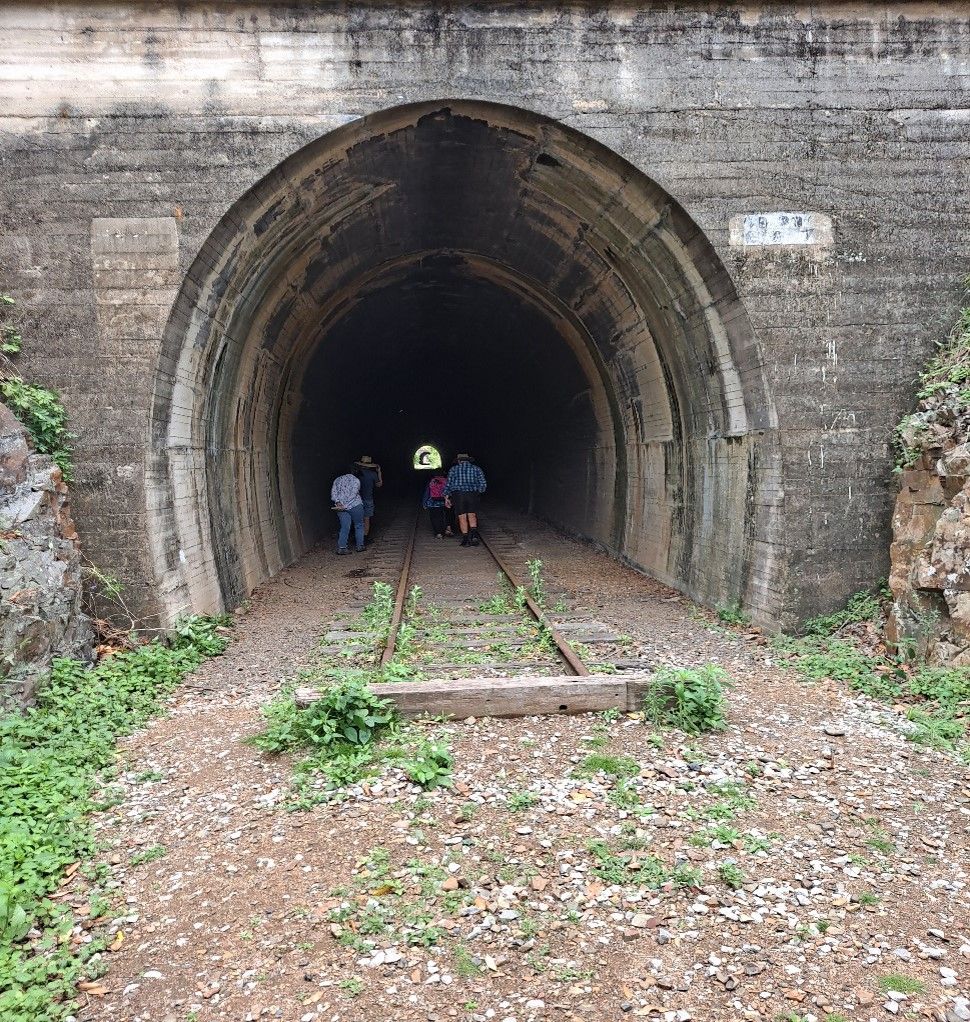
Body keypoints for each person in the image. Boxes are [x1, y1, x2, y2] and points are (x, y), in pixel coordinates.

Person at [444, 453, 487, 547]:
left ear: (459, 461)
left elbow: (448, 484)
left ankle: (465, 540)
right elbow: (483, 482)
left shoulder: (453, 469)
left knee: (462, 516)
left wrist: (446, 497)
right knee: (472, 514)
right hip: (472, 494)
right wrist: (479, 491)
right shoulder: (477, 469)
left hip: (458, 494)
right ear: (468, 460)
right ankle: (474, 536)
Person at [331, 466, 365, 555]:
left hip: (341, 507)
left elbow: (333, 493)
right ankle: (360, 546)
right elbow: (353, 495)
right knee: (359, 525)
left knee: (345, 527)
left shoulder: (337, 479)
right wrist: (346, 505)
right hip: (355, 506)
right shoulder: (356, 480)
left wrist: (339, 503)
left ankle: (342, 548)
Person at [355, 455, 382, 538]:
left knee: (358, 519)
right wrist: (379, 472)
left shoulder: (356, 474)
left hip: (356, 499)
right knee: (366, 519)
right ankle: (365, 538)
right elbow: (379, 484)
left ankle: (358, 537)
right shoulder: (373, 474)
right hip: (368, 499)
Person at [422, 471, 450, 538]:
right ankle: (446, 530)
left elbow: (427, 493)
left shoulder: (431, 481)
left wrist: (424, 503)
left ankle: (438, 533)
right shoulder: (447, 481)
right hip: (444, 502)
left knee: (434, 518)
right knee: (444, 517)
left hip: (433, 503)